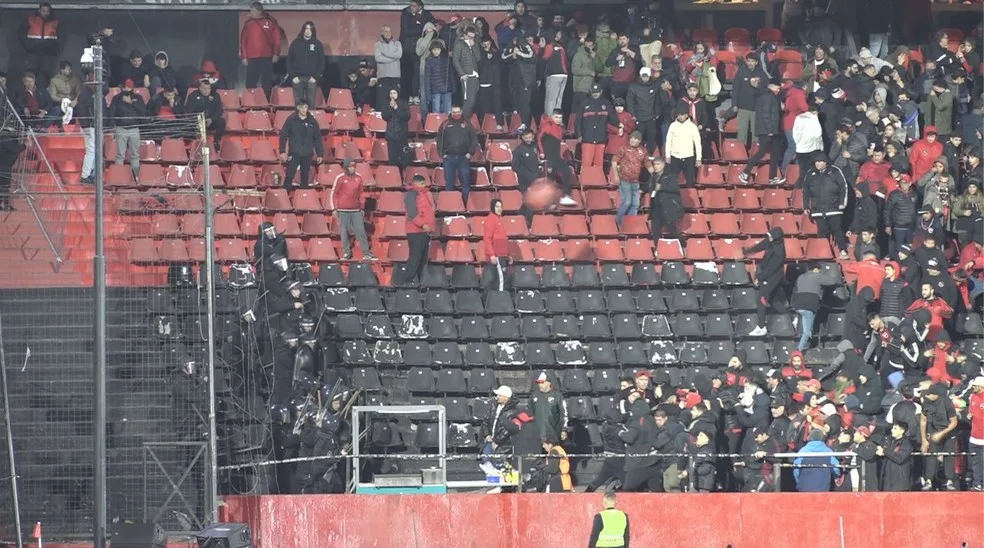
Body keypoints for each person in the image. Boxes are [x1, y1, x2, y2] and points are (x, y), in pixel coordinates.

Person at [803, 152, 850, 259]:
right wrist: (806, 206)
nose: (817, 164)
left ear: (825, 162)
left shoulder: (835, 171)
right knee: (821, 232)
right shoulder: (810, 173)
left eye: (820, 162)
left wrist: (842, 203)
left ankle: (843, 250)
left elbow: (844, 187)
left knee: (837, 229)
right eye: (816, 162)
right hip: (818, 209)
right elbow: (805, 191)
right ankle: (823, 253)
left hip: (834, 208)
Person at [743, 228, 787, 337]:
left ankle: (761, 327)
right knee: (774, 300)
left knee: (761, 299)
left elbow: (772, 268)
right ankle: (790, 317)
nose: (769, 238)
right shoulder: (770, 241)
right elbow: (760, 246)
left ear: (776, 237)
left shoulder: (779, 250)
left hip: (773, 277)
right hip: (768, 275)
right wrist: (746, 252)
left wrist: (760, 278)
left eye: (770, 236)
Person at [739, 78, 783, 185]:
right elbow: (766, 115)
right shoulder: (768, 97)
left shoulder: (767, 96)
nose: (778, 90)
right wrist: (770, 130)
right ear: (771, 86)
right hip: (767, 130)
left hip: (771, 130)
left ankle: (772, 177)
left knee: (775, 154)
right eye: (777, 88)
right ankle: (745, 172)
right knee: (762, 152)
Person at [329, 158, 374, 261]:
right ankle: (346, 253)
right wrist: (334, 209)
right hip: (342, 210)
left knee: (360, 231)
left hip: (356, 210)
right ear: (345, 167)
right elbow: (334, 193)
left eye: (353, 166)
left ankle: (366, 253)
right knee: (344, 231)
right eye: (350, 166)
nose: (352, 168)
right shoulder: (339, 178)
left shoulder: (359, 177)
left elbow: (361, 193)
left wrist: (362, 207)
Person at [393, 174, 434, 286]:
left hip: (424, 231)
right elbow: (412, 213)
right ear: (416, 183)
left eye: (424, 183)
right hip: (415, 231)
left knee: (422, 259)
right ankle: (407, 280)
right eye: (422, 183)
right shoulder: (412, 194)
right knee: (415, 257)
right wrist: (423, 225)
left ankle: (419, 281)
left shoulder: (423, 194)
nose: (424, 185)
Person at [278, 100, 324, 190]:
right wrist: (282, 151)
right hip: (294, 154)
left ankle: (303, 198)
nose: (304, 110)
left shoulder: (313, 122)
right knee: (289, 176)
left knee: (305, 179)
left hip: (307, 154)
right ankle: (285, 197)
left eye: (305, 107)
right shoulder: (291, 120)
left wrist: (320, 154)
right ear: (298, 108)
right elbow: (283, 134)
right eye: (302, 107)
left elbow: (317, 138)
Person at [920, 383, 958, 490]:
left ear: (936, 395)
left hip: (948, 431)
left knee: (949, 455)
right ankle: (928, 480)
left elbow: (954, 422)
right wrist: (924, 440)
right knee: (931, 455)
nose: (928, 396)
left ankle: (950, 480)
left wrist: (942, 433)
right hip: (933, 430)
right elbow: (923, 421)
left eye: (930, 394)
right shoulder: (926, 403)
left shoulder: (947, 402)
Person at [612, 131, 654, 228]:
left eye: (635, 139)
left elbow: (648, 165)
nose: (632, 140)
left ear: (639, 141)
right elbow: (614, 161)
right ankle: (618, 221)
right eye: (631, 138)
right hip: (624, 179)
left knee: (635, 204)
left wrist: (656, 175)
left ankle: (629, 224)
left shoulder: (643, 151)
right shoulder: (624, 149)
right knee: (627, 202)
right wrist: (616, 175)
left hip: (635, 181)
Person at [437, 105, 478, 203]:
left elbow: (474, 139)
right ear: (451, 112)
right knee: (449, 183)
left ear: (461, 112)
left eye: (458, 112)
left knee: (465, 182)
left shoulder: (467, 124)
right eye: (454, 112)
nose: (456, 114)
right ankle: (450, 205)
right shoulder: (445, 124)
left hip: (463, 157)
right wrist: (442, 154)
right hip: (449, 158)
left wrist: (470, 153)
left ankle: (465, 204)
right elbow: (439, 140)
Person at [240, 2, 281, 98]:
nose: (250, 13)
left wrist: (276, 54)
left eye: (252, 11)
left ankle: (266, 102)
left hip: (266, 57)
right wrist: (244, 57)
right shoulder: (248, 23)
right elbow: (243, 41)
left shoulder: (270, 21)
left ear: (259, 11)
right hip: (252, 58)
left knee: (266, 83)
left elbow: (277, 39)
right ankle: (250, 102)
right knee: (250, 82)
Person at [538, 110, 577, 206]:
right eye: (556, 117)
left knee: (567, 172)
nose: (558, 119)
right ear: (552, 116)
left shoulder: (560, 128)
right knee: (550, 181)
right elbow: (539, 139)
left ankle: (566, 196)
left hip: (556, 157)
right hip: (549, 158)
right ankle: (549, 202)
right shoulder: (547, 126)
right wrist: (542, 153)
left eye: (560, 117)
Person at [108, 79, 145, 180]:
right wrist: (112, 128)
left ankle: (135, 176)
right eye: (125, 87)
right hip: (121, 128)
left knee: (135, 155)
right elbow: (112, 113)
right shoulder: (116, 98)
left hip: (134, 128)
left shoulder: (138, 98)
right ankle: (119, 177)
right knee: (120, 155)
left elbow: (143, 112)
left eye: (128, 87)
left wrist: (131, 103)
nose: (126, 89)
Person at [577, 83, 617, 169]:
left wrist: (619, 123)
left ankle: (597, 182)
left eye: (597, 92)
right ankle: (585, 181)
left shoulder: (606, 104)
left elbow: (613, 119)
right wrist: (579, 135)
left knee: (598, 165)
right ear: (590, 91)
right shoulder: (584, 103)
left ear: (601, 91)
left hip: (601, 138)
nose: (595, 94)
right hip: (587, 138)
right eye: (594, 92)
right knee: (586, 164)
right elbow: (578, 121)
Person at [479, 385, 518, 474]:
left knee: (498, 466)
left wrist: (497, 441)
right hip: (490, 440)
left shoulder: (513, 411)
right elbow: (486, 420)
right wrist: (487, 434)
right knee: (487, 461)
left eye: (499, 395)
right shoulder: (493, 406)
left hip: (503, 445)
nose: (497, 397)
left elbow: (507, 430)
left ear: (505, 397)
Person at [19, 2, 61, 83]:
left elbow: (61, 36)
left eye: (47, 11)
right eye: (44, 11)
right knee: (30, 74)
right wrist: (29, 46)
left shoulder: (55, 22)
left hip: (49, 54)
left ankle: (44, 94)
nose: (46, 13)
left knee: (47, 75)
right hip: (33, 53)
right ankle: (29, 93)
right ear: (39, 10)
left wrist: (56, 48)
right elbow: (21, 33)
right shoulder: (31, 19)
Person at [287, 21, 326, 107]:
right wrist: (293, 76)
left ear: (313, 31)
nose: (308, 31)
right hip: (297, 78)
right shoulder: (295, 43)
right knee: (298, 104)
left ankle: (310, 120)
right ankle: (298, 120)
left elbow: (322, 62)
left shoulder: (317, 44)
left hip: (311, 79)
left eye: (310, 29)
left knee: (311, 103)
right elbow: (289, 61)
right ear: (303, 30)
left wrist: (315, 77)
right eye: (306, 29)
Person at [185, 78, 226, 154]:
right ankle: (191, 144)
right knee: (187, 124)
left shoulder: (215, 96)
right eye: (204, 88)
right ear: (200, 88)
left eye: (208, 88)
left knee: (221, 121)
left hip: (210, 122)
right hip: (197, 122)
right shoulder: (193, 96)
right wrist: (198, 121)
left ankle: (216, 141)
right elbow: (189, 111)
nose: (207, 90)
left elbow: (219, 111)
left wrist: (211, 119)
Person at [664, 108, 702, 188]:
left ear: (686, 115)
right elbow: (668, 141)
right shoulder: (673, 126)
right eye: (679, 115)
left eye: (682, 115)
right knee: (671, 181)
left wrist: (699, 158)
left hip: (689, 157)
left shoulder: (692, 126)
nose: (680, 117)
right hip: (675, 157)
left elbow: (698, 143)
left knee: (690, 181)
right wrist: (667, 155)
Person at [648, 157, 682, 242]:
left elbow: (675, 189)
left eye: (658, 164)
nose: (656, 166)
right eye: (654, 164)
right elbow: (649, 187)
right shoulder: (653, 177)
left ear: (663, 165)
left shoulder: (670, 176)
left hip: (667, 207)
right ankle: (658, 250)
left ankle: (682, 246)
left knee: (672, 230)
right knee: (655, 231)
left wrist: (662, 187)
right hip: (655, 207)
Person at [452, 24, 481, 119]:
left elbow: (478, 58)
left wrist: (474, 46)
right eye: (469, 37)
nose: (471, 39)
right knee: (469, 100)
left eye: (473, 37)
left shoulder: (474, 44)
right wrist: (462, 74)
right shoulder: (459, 44)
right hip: (466, 75)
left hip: (474, 74)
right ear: (464, 35)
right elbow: (455, 60)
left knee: (472, 99)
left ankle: (465, 120)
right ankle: (463, 120)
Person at [475, 35, 503, 130]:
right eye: (484, 44)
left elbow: (499, 66)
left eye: (488, 44)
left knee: (497, 104)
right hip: (483, 83)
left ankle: (499, 123)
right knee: (484, 105)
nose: (486, 46)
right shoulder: (479, 54)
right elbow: (478, 66)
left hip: (494, 82)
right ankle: (485, 124)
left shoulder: (495, 53)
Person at [530, 372, 568, 441]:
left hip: (553, 434)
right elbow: (529, 412)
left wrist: (564, 429)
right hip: (536, 434)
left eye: (542, 382)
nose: (539, 385)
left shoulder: (557, 396)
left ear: (548, 383)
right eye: (538, 383)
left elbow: (564, 414)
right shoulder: (534, 396)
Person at [482, 199, 510, 291]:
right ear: (493, 207)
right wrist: (492, 255)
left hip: (502, 255)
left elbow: (503, 239)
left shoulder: (499, 220)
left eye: (501, 207)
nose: (499, 209)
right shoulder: (491, 220)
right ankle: (500, 301)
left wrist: (508, 255)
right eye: (497, 206)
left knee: (502, 279)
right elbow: (487, 238)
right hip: (497, 256)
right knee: (501, 280)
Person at [374, 24, 403, 111]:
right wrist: (393, 58)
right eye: (386, 31)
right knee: (382, 100)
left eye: (389, 31)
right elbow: (378, 58)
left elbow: (399, 55)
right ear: (382, 32)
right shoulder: (377, 44)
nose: (388, 33)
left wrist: (385, 54)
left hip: (395, 76)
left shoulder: (397, 43)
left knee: (396, 101)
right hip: (383, 76)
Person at [879, 422, 914, 491]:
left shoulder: (906, 443)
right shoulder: (891, 442)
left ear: (902, 431)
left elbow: (899, 459)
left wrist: (885, 451)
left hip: (900, 482)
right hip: (888, 480)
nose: (892, 430)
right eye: (892, 428)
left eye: (895, 428)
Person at [0, 127, 24, 211]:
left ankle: (4, 204)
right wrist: (25, 145)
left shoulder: (4, 138)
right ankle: (7, 205)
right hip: (4, 166)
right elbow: (14, 150)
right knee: (4, 186)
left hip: (4, 165)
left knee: (3, 186)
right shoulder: (7, 139)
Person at [967, 376, 984, 491]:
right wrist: (969, 415)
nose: (972, 387)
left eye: (975, 385)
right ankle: (977, 484)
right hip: (974, 437)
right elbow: (971, 411)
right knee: (975, 463)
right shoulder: (972, 396)